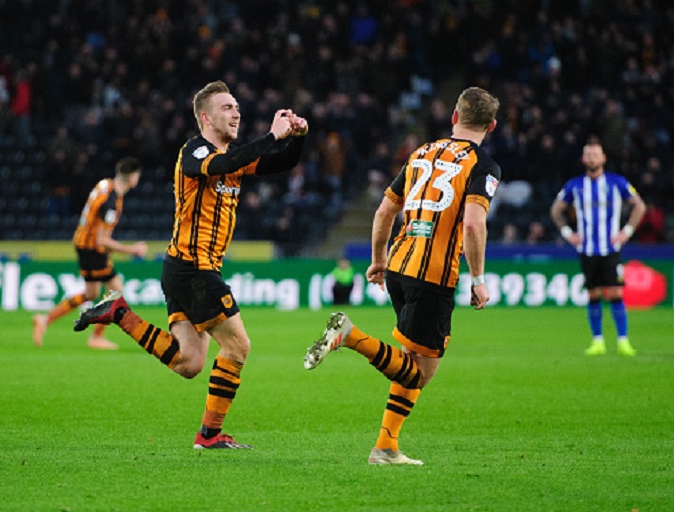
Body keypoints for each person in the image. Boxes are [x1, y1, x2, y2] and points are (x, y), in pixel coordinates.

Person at [74, 80, 308, 448]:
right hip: (192, 268)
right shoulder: (195, 152)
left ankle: (119, 313)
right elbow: (227, 162)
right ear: (206, 116)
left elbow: (285, 161)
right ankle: (209, 435)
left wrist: (297, 135)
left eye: (236, 107)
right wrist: (270, 136)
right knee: (238, 347)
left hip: (188, 270)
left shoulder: (233, 159)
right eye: (227, 107)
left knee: (189, 363)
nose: (236, 112)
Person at [303, 87, 502, 465]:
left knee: (409, 359)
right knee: (418, 375)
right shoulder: (484, 165)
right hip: (434, 276)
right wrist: (478, 279)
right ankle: (350, 336)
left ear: (454, 117)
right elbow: (475, 226)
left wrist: (378, 260)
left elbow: (383, 213)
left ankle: (386, 447)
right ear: (491, 126)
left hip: (399, 266)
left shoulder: (420, 152)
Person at [32, 156, 148, 350]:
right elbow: (102, 239)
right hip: (92, 248)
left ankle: (45, 319)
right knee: (116, 290)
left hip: (82, 242)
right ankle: (96, 337)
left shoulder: (105, 184)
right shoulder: (111, 202)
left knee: (91, 292)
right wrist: (132, 250)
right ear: (132, 177)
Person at [549, 141, 646, 357]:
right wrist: (568, 234)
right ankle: (598, 341)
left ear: (603, 158)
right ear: (584, 160)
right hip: (587, 249)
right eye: (588, 154)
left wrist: (627, 231)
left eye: (595, 154)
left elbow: (639, 205)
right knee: (593, 293)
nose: (592, 158)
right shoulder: (575, 185)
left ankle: (623, 341)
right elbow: (556, 211)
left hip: (610, 247)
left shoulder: (616, 182)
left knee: (615, 292)